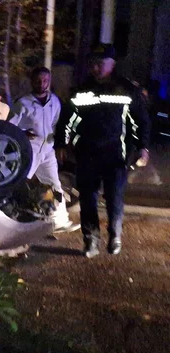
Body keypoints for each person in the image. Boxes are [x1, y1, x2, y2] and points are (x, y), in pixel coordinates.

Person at [57, 44, 150, 258]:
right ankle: (91, 239)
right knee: (88, 199)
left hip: (116, 156)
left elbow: (141, 121)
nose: (96, 67)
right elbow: (66, 120)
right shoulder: (81, 90)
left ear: (112, 64)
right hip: (87, 155)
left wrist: (143, 147)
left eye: (101, 63)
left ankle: (115, 235)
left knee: (114, 197)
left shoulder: (127, 89)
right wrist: (61, 143)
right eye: (93, 63)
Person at [9, 67, 80, 234]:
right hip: (29, 150)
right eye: (38, 81)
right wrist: (23, 133)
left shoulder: (54, 101)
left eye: (45, 81)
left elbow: (56, 123)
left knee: (55, 185)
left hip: (47, 151)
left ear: (49, 81)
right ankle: (12, 221)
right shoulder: (23, 103)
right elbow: (10, 127)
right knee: (19, 184)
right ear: (32, 81)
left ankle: (59, 221)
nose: (42, 84)